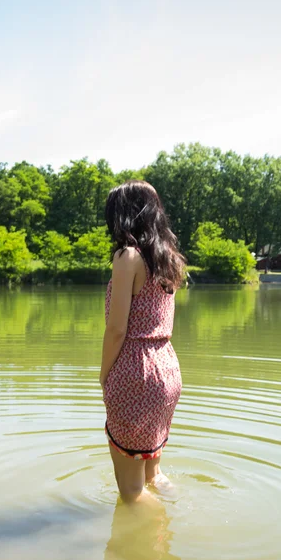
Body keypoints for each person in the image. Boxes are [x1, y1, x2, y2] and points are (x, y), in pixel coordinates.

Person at [100, 180, 184, 504]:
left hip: (136, 372)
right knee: (153, 474)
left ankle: (150, 533)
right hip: (167, 369)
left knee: (131, 492)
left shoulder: (127, 257)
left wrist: (104, 374)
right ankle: (165, 540)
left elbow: (117, 329)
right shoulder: (168, 257)